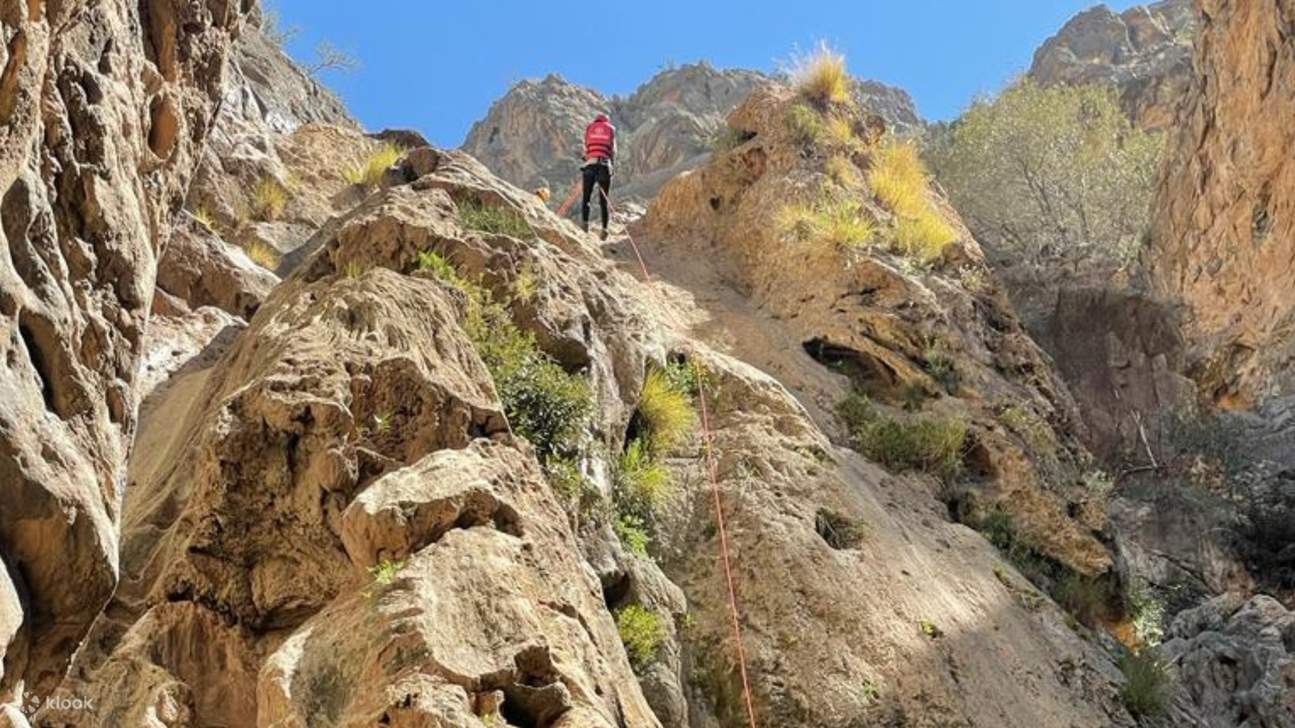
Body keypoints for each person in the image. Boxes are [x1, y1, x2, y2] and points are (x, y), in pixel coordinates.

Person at [581, 113, 616, 240]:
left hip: (590, 165)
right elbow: (612, 150)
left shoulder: (589, 128)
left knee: (586, 197)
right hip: (604, 166)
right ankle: (605, 229)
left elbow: (586, 147)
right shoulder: (611, 129)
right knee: (603, 201)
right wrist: (612, 168)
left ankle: (585, 224)